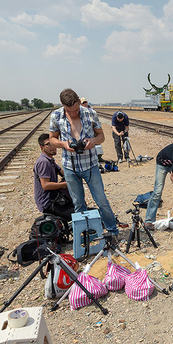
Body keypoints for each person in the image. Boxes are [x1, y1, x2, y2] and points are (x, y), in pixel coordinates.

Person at [49, 88, 119, 241]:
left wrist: (93, 141)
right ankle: (85, 235)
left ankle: (113, 231)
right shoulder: (55, 116)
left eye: (76, 109)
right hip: (70, 166)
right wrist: (63, 144)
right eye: (70, 111)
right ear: (63, 106)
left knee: (101, 200)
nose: (74, 113)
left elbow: (101, 136)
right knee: (78, 203)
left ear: (79, 103)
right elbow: (52, 139)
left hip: (91, 164)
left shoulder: (90, 113)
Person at [34, 133, 74, 221]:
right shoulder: (44, 162)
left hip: (53, 197)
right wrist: (66, 184)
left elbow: (62, 172)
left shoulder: (50, 160)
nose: (53, 146)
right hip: (48, 202)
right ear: (42, 147)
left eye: (53, 143)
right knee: (76, 215)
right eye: (49, 144)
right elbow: (45, 185)